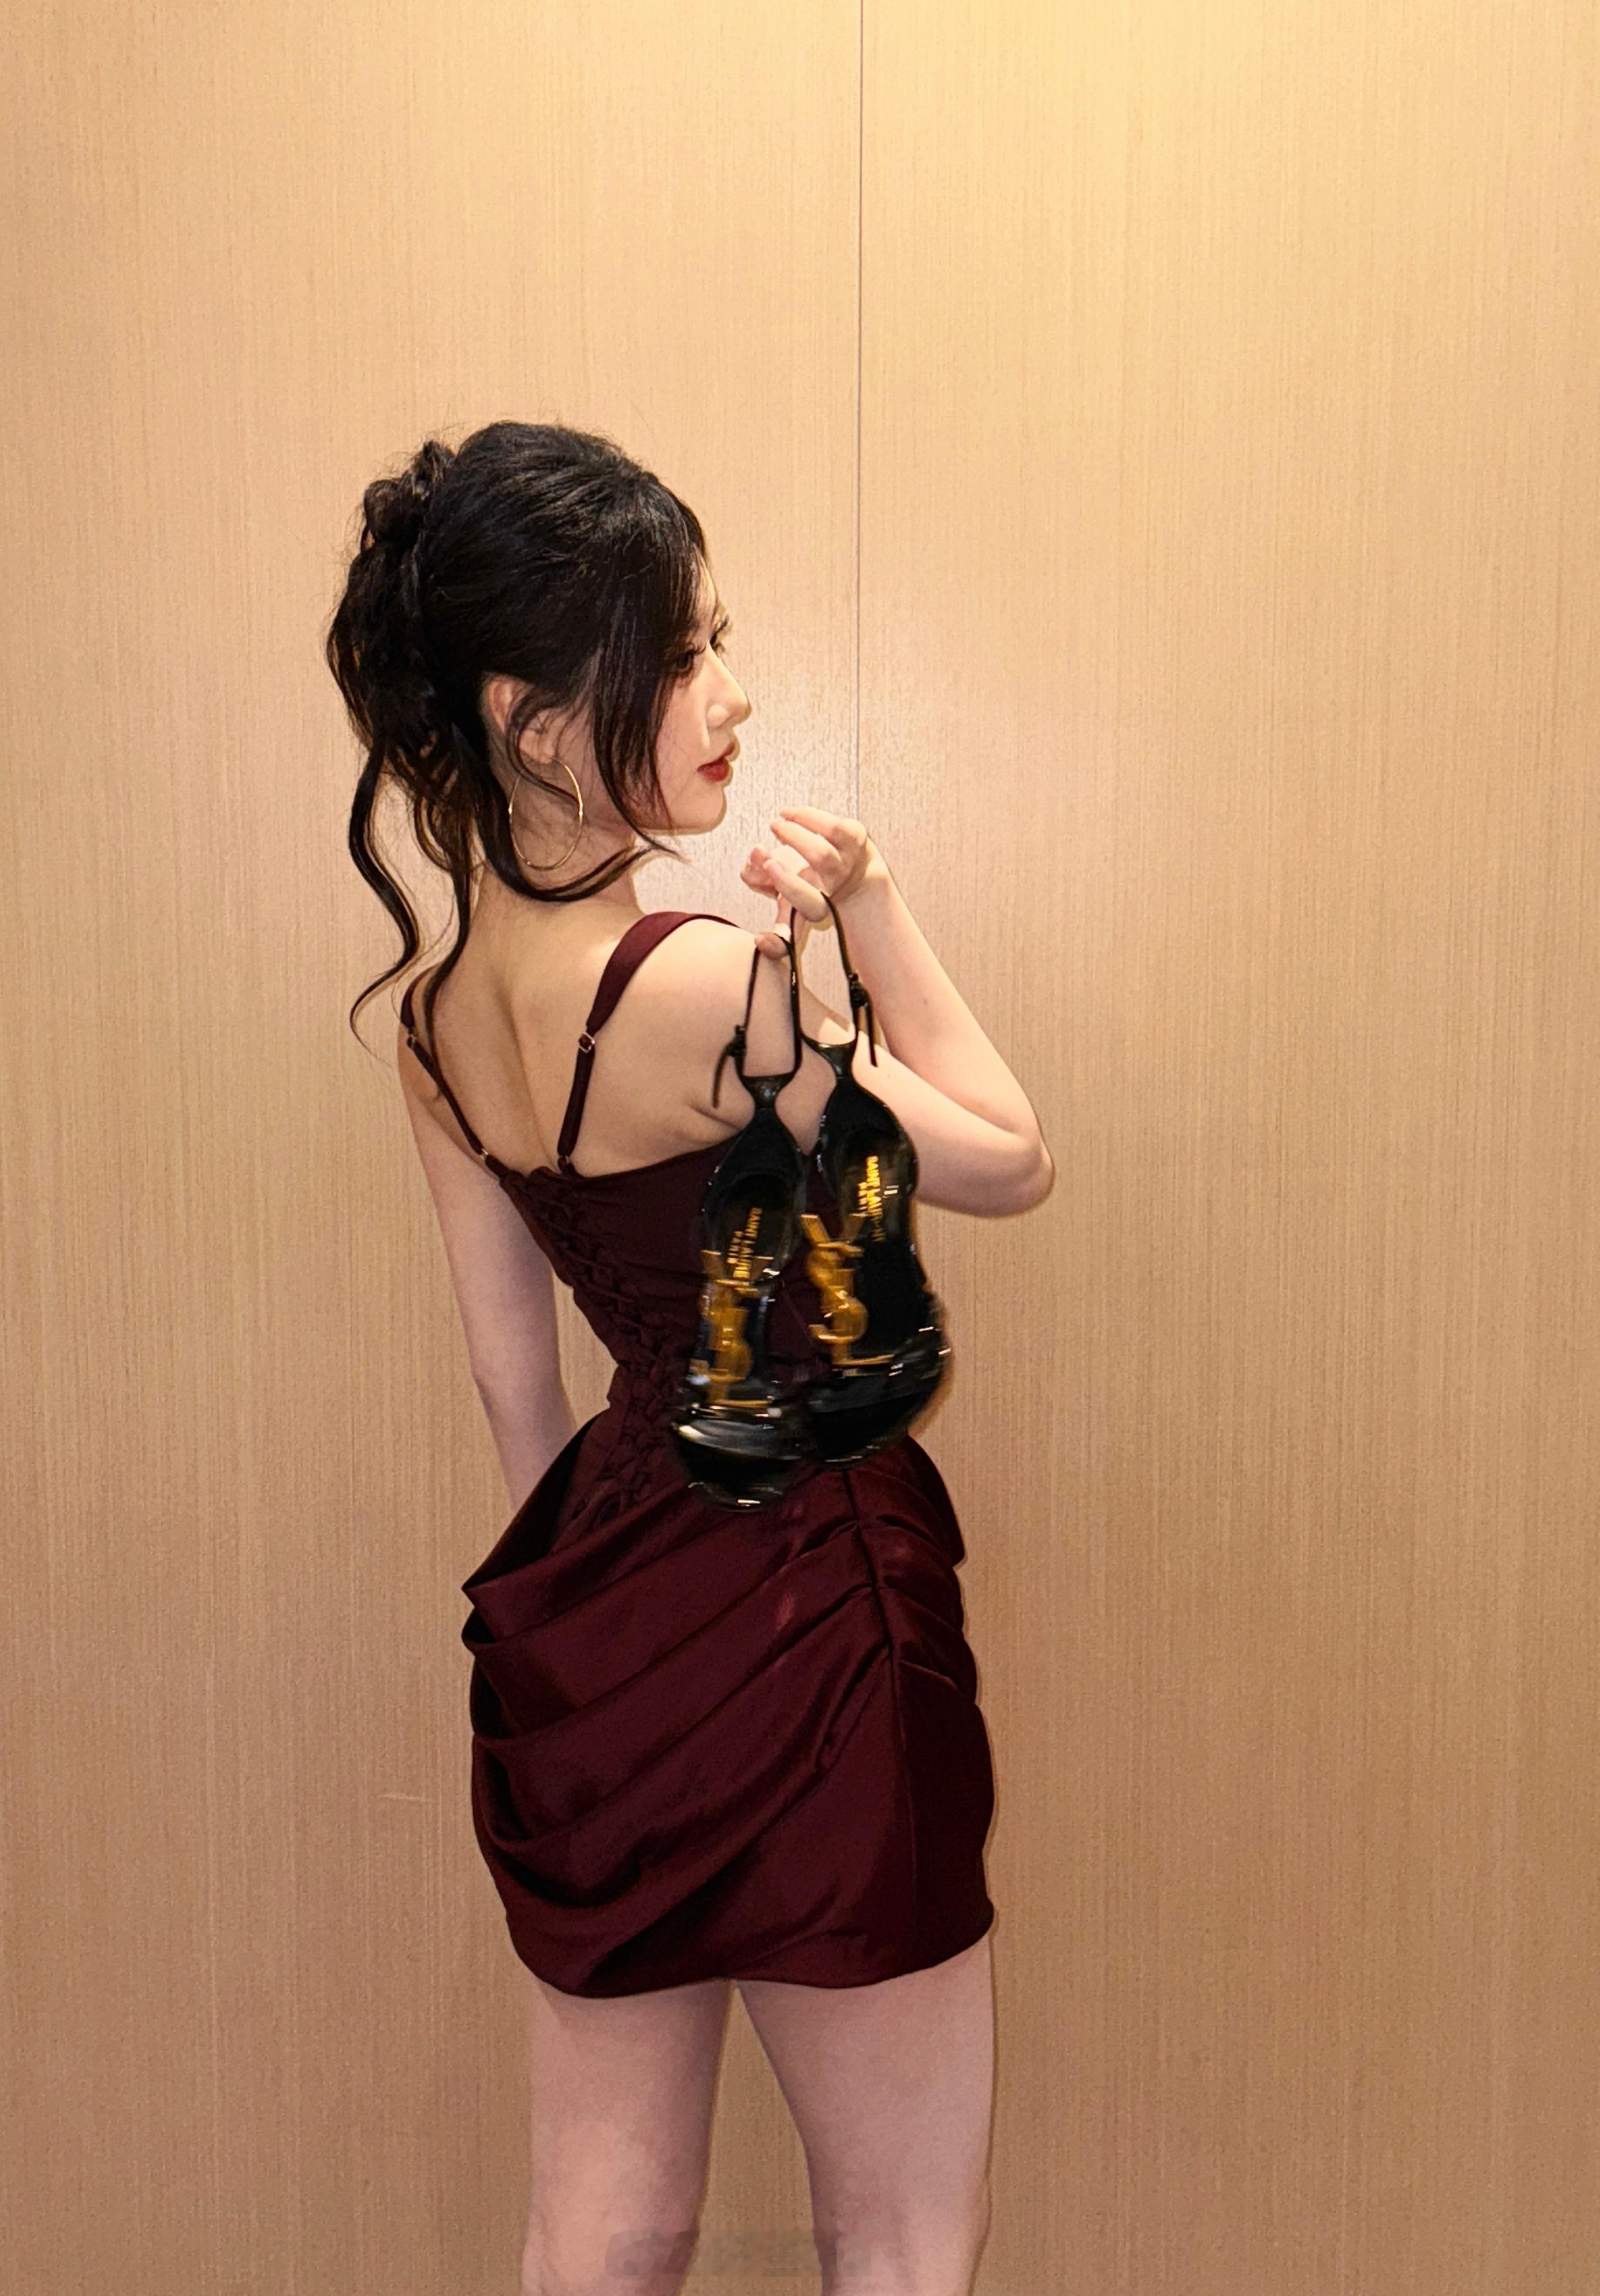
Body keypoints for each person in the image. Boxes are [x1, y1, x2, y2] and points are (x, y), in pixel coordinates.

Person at [326, 420, 1054, 2296]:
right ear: (537, 723)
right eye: (682, 650)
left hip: (610, 1593)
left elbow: (517, 1392)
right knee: (898, 2232)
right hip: (818, 1578)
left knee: (603, 2229)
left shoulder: (435, 1026)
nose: (732, 694)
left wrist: (604, 1639)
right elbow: (1006, 1158)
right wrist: (874, 907)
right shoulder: (712, 986)